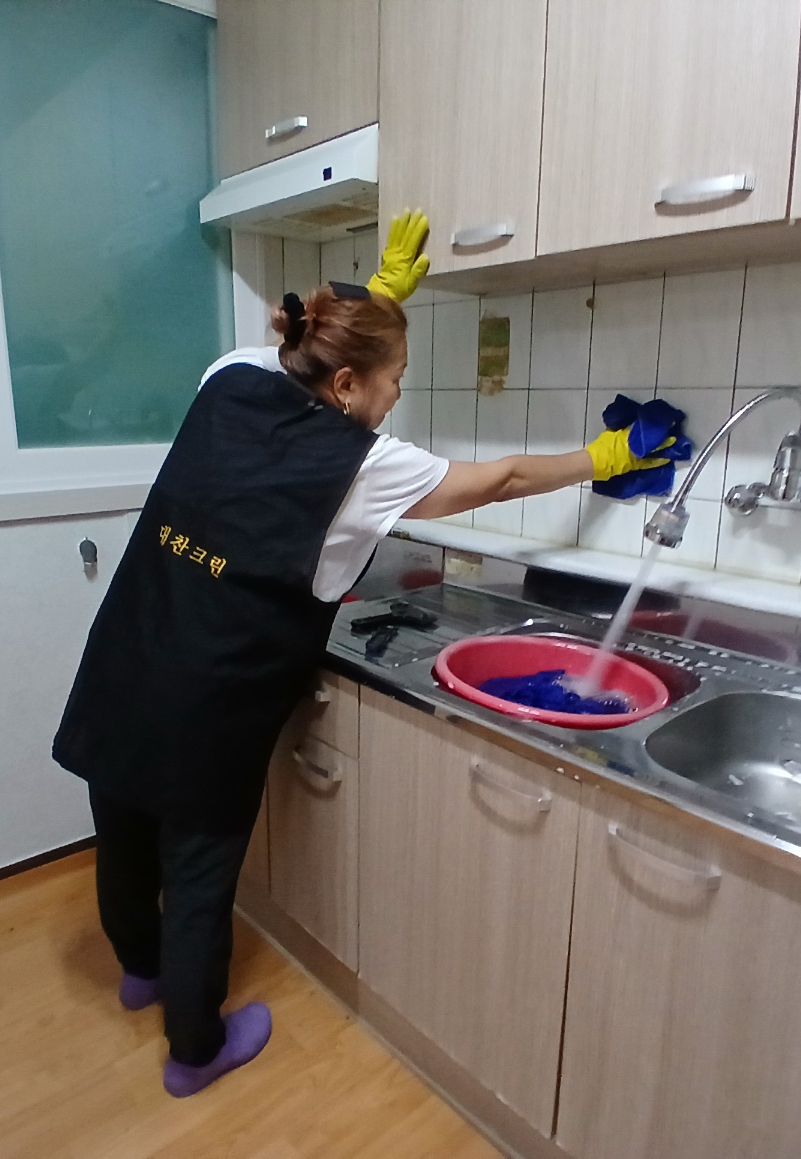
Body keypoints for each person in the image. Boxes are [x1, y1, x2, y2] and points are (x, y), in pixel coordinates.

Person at [51, 211, 670, 1098]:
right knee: (196, 871)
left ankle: (139, 972)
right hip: (209, 698)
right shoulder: (366, 464)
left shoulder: (230, 375)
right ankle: (194, 1050)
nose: (395, 398)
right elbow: (497, 480)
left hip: (129, 653)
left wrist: (373, 302)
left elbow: (293, 362)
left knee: (122, 831)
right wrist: (601, 456)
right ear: (348, 383)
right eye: (393, 379)